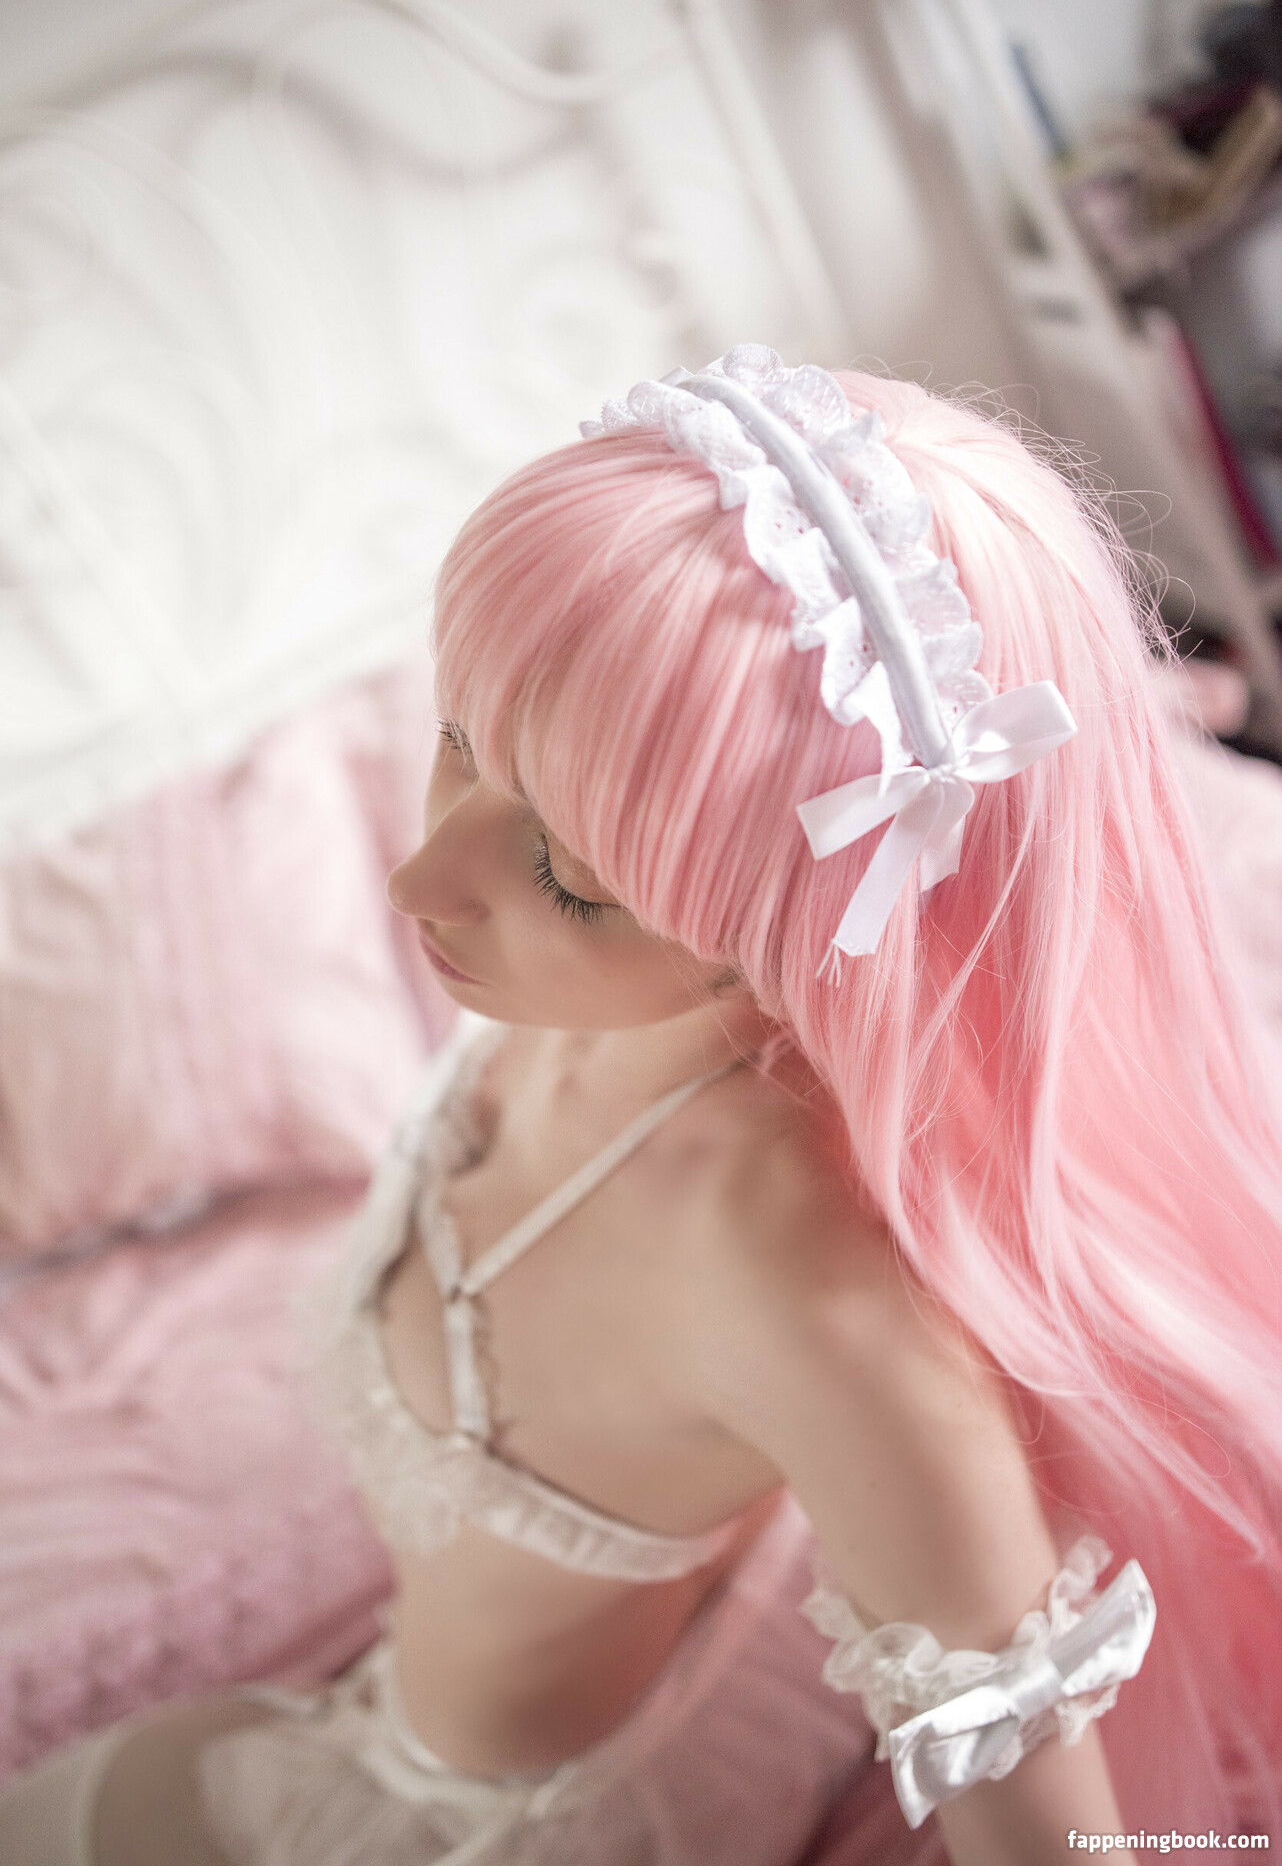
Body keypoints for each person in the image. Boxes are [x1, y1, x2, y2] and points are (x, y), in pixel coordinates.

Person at [2, 347, 1280, 1864]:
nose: (420, 881)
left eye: (566, 879)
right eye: (458, 740)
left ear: (798, 925)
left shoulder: (808, 1295)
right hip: (362, 1722)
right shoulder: (582, 1008)